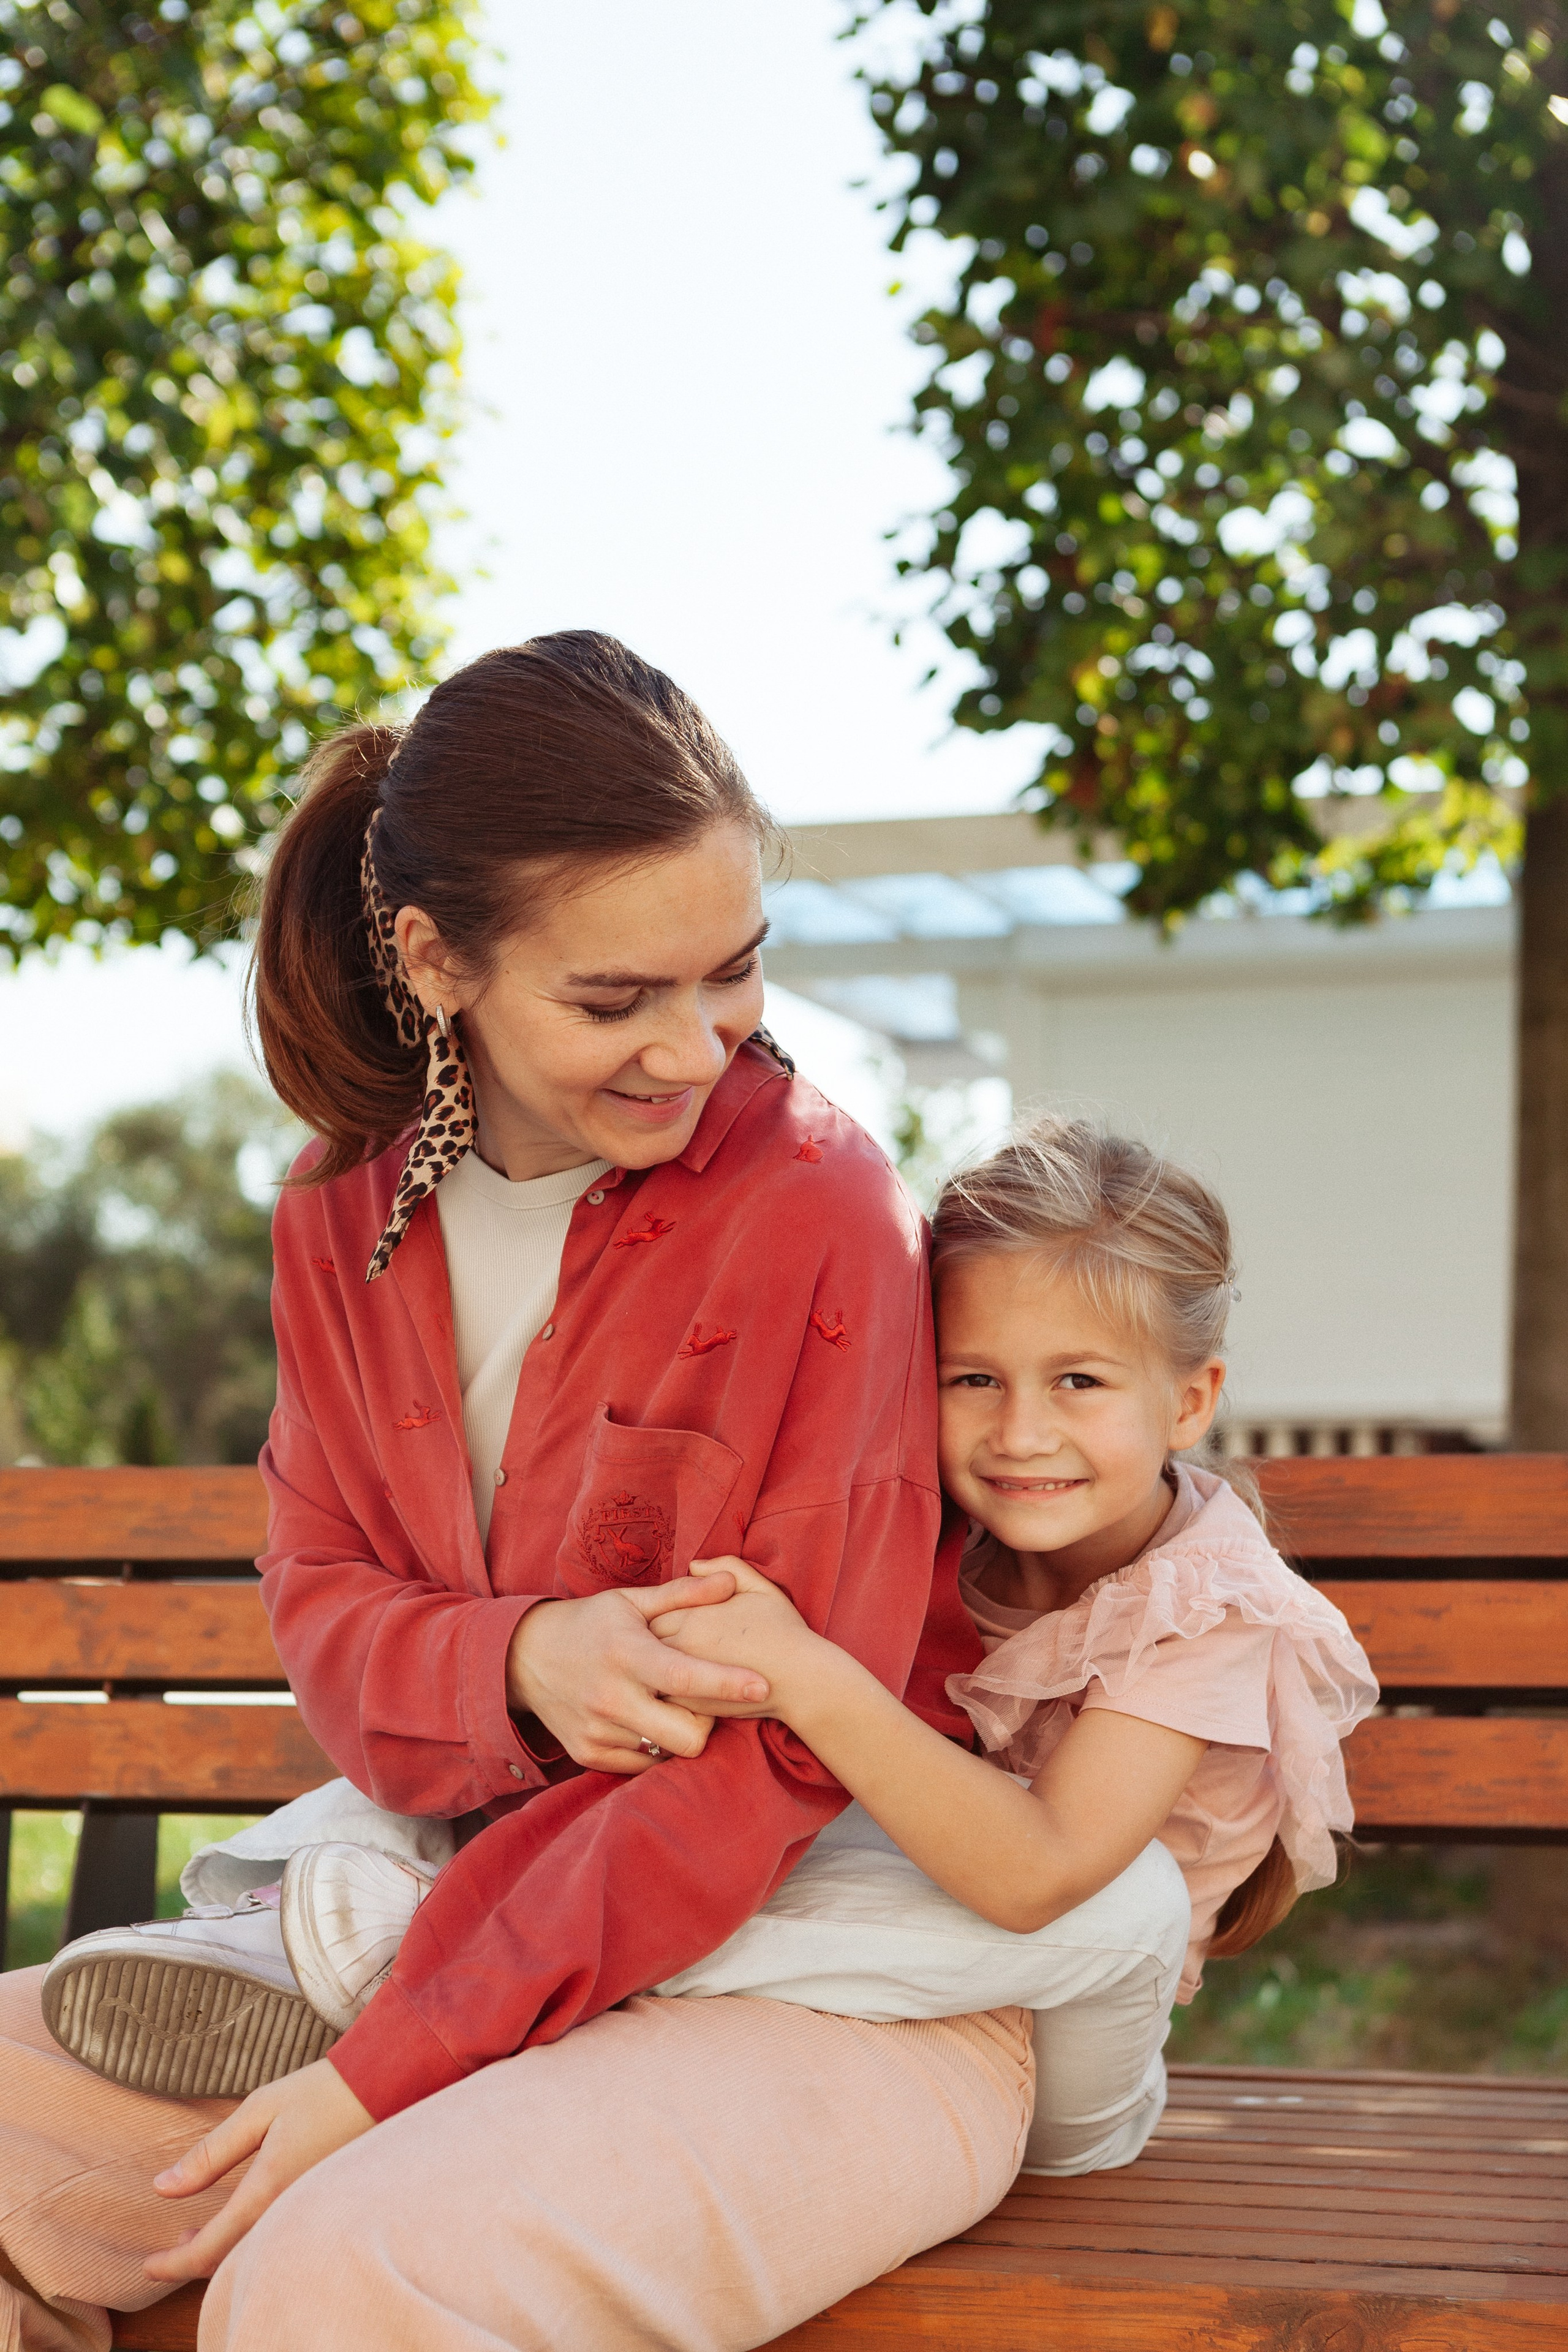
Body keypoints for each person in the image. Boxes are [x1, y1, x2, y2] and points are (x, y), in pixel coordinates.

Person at [0, 636, 1172, 2352]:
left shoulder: (815, 1204)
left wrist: (388, 2069)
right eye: (614, 1001)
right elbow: (325, 1608)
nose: (696, 1053)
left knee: (347, 2280)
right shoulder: (342, 1211)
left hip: (839, 1967)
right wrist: (521, 1660)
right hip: (446, 1932)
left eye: (735, 976)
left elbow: (778, 1751)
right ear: (434, 960)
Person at [646, 1117, 1379, 2171]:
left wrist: (808, 1676)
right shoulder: (928, 1538)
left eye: (1078, 1381)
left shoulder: (1209, 1604)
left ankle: (569, 1960)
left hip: (1063, 2060)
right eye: (972, 1379)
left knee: (1132, 1904)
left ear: (1189, 1402)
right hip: (889, 2000)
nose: (1020, 1433)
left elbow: (1041, 1878)